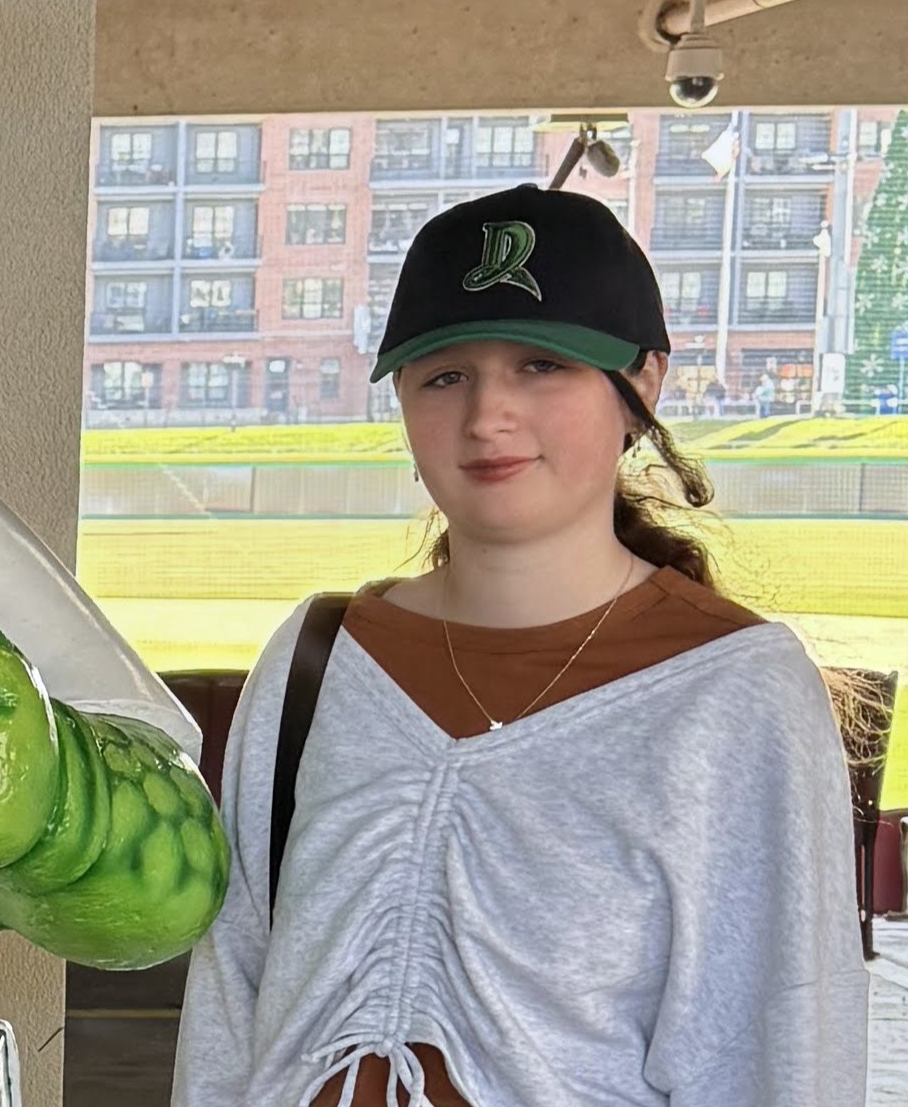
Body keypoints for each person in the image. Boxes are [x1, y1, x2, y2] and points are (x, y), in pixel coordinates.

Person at [175, 184, 864, 1107]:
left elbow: (783, 1054)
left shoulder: (734, 695)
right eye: (444, 373)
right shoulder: (318, 659)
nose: (487, 416)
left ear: (642, 384)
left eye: (543, 365)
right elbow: (230, 1002)